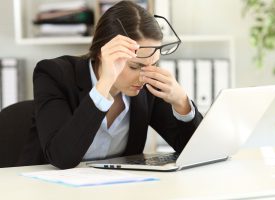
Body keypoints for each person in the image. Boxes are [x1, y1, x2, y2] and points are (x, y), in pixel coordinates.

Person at [33, 1, 203, 169]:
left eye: (154, 64)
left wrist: (182, 102)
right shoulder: (54, 74)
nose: (144, 76)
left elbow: (196, 150)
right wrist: (104, 85)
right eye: (135, 66)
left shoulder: (147, 85)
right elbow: (62, 157)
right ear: (103, 54)